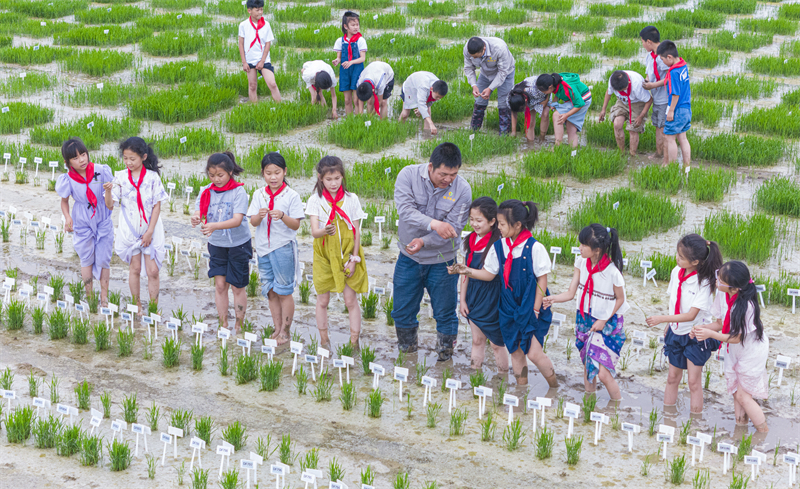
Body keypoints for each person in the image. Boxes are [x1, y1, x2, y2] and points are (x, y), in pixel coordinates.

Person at [449, 200, 557, 387]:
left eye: (502, 224)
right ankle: (521, 390)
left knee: (533, 353)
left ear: (517, 225)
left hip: (530, 304)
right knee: (515, 350)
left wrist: (535, 309)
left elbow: (542, 280)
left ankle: (554, 387)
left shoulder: (534, 247)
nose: (498, 228)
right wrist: (466, 271)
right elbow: (489, 274)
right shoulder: (499, 246)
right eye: (498, 223)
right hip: (508, 305)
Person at [393, 143, 472, 361]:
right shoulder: (408, 176)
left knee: (445, 312)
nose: (448, 180)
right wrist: (435, 224)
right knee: (402, 310)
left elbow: (453, 229)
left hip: (443, 260)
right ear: (430, 167)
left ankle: (445, 359)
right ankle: (407, 356)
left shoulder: (462, 190)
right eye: (443, 174)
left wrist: (424, 240)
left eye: (453, 175)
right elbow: (405, 211)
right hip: (409, 257)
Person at [544, 224, 628, 400]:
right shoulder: (581, 263)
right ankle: (588, 405)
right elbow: (571, 292)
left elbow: (620, 299)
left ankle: (617, 407)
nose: (579, 248)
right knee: (588, 366)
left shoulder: (612, 273)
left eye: (584, 245)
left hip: (607, 324)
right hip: (585, 319)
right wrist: (553, 299)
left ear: (597, 249)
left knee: (603, 374)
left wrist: (603, 320)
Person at [645, 234, 723, 414]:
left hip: (696, 335)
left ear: (695, 261)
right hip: (676, 332)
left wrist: (662, 319)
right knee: (672, 377)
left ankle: (695, 423)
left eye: (681, 257)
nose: (677, 259)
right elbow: (674, 301)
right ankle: (667, 417)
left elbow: (691, 315)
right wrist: (670, 324)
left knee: (693, 382)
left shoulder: (704, 282)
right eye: (677, 254)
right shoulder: (676, 272)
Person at [693, 261, 769, 433]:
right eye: (718, 275)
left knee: (743, 395)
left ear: (733, 288)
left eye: (720, 280)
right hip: (736, 349)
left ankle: (763, 432)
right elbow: (721, 324)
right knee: (737, 392)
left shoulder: (747, 307)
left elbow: (736, 338)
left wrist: (710, 334)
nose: (717, 281)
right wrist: (701, 329)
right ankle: (740, 429)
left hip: (751, 351)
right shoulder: (723, 294)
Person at [305, 156, 367, 350]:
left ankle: (354, 342)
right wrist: (325, 230)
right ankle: (324, 341)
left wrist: (354, 259)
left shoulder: (351, 199)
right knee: (323, 300)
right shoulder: (315, 200)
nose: (333, 183)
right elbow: (315, 232)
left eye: (337, 178)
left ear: (342, 177)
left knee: (350, 300)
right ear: (320, 178)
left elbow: (356, 231)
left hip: (348, 253)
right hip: (324, 255)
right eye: (329, 179)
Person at [191, 152, 252, 334]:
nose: (216, 179)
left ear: (230, 172)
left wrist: (214, 226)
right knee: (220, 285)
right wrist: (196, 218)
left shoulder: (238, 192)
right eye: (212, 175)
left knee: (237, 286)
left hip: (238, 244)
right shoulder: (205, 191)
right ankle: (223, 324)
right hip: (217, 243)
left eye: (220, 175)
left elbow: (237, 220)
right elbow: (199, 212)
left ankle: (239, 325)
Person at [247, 152, 304, 345]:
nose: (273, 177)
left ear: (285, 171)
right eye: (268, 173)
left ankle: (285, 332)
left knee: (284, 291)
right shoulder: (258, 194)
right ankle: (277, 328)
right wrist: (259, 215)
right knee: (270, 291)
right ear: (263, 173)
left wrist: (282, 216)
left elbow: (296, 225)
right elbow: (253, 222)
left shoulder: (292, 195)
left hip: (283, 247)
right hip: (263, 248)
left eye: (277, 172)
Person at [111, 137, 169, 310]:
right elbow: (110, 204)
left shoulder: (152, 177)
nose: (128, 162)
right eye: (125, 158)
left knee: (153, 271)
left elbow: (157, 206)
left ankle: (153, 307)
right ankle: (137, 306)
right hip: (130, 229)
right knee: (134, 268)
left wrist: (150, 231)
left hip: (151, 229)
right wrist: (107, 192)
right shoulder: (120, 177)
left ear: (143, 157)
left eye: (132, 158)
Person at [56, 137, 114, 306]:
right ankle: (90, 298)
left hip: (102, 217)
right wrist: (67, 217)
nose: (81, 160)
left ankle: (104, 298)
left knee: (104, 258)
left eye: (83, 154)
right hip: (82, 219)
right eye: (75, 158)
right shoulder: (68, 179)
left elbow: (110, 201)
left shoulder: (101, 171)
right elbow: (64, 201)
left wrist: (109, 191)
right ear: (67, 162)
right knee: (86, 259)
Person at [457, 197, 507, 372]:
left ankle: (503, 377)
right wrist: (462, 300)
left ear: (492, 221)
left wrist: (466, 271)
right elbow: (464, 274)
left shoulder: (498, 243)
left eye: (479, 220)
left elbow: (489, 275)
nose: (474, 224)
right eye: (471, 219)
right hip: (474, 295)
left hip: (493, 297)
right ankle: (474, 374)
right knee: (477, 340)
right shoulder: (469, 240)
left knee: (496, 344)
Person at [463, 36, 516, 134]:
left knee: (503, 104)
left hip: (506, 73)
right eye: (472, 56)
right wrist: (474, 85)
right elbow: (468, 68)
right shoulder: (468, 48)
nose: (473, 58)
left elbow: (502, 73)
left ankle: (504, 136)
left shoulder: (499, 48)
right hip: (486, 73)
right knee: (479, 102)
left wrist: (490, 88)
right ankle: (474, 132)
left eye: (476, 57)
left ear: (484, 48)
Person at [599, 70, 653, 156]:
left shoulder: (637, 85)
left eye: (624, 89)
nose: (623, 91)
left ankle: (632, 154)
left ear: (628, 83)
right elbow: (608, 93)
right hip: (622, 101)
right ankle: (621, 153)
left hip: (637, 102)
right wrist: (603, 110)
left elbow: (649, 100)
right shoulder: (613, 80)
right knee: (617, 124)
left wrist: (641, 116)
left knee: (633, 129)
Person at [237, 0, 281, 103]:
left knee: (272, 84)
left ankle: (280, 106)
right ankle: (254, 108)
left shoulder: (266, 25)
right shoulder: (243, 25)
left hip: (264, 60)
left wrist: (262, 61)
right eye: (257, 10)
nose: (260, 12)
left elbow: (268, 44)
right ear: (249, 11)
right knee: (252, 86)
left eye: (261, 9)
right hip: (250, 60)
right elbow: (241, 44)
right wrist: (244, 62)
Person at [656, 40, 691, 167]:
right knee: (683, 138)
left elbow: (675, 94)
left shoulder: (673, 72)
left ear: (669, 57)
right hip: (686, 108)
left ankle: (671, 167)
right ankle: (687, 167)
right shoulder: (683, 66)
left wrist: (671, 110)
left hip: (677, 109)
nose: (663, 62)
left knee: (670, 138)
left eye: (662, 59)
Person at [536, 73, 592, 148]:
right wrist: (554, 102)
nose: (543, 93)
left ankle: (557, 146)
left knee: (557, 115)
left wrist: (566, 115)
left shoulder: (568, 87)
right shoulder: (555, 79)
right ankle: (573, 152)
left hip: (583, 100)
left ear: (550, 87)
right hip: (579, 98)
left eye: (544, 92)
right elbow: (557, 91)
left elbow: (580, 104)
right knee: (571, 128)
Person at [640, 26, 669, 161]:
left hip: (665, 98)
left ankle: (663, 155)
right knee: (657, 125)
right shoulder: (650, 56)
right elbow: (649, 73)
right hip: (656, 97)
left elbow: (670, 77)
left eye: (642, 42)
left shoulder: (664, 56)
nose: (642, 44)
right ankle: (659, 153)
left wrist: (653, 85)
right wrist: (647, 81)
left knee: (662, 127)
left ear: (649, 42)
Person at [333, 11, 367, 116]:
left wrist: (351, 62)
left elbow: (362, 58)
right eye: (353, 25)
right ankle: (349, 120)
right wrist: (337, 60)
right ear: (345, 26)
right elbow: (339, 57)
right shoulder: (340, 41)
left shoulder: (360, 40)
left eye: (357, 24)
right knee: (347, 100)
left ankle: (357, 120)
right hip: (345, 72)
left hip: (357, 71)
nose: (356, 27)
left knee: (356, 100)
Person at [507, 76, 551, 142]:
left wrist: (546, 100)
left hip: (544, 90)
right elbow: (514, 111)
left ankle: (542, 139)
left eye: (522, 109)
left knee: (545, 113)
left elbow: (548, 87)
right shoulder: (510, 99)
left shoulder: (534, 90)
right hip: (529, 97)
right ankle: (530, 144)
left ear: (525, 102)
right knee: (530, 122)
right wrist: (513, 131)